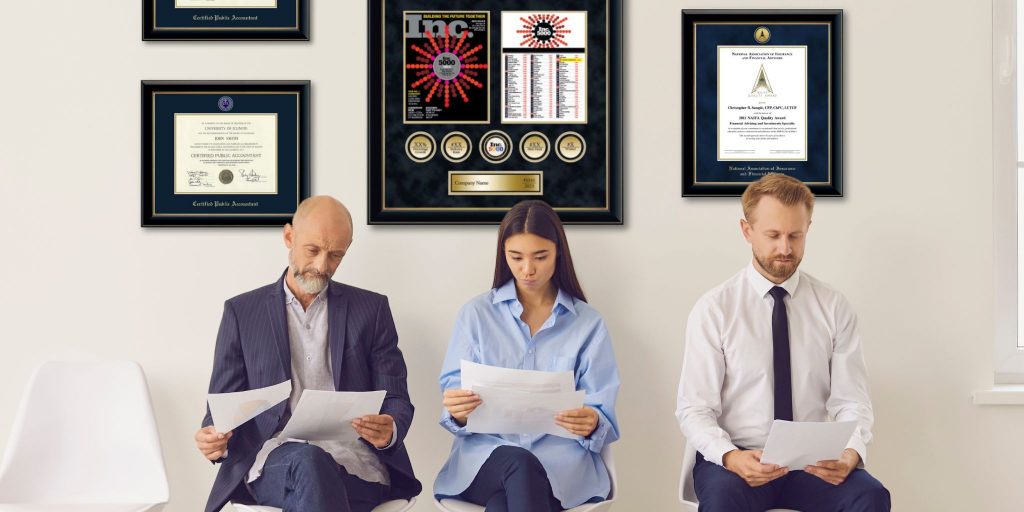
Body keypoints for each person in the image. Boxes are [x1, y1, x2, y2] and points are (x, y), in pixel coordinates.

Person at [676, 174, 891, 511]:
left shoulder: (833, 307)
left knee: (871, 496)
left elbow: (852, 401)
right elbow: (694, 408)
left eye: (796, 235)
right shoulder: (715, 309)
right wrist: (731, 457)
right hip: (739, 458)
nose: (785, 249)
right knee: (721, 502)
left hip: (812, 461)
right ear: (747, 231)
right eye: (773, 235)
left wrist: (851, 453)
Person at [194, 196, 421, 512]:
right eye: (313, 250)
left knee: (316, 480)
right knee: (309, 463)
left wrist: (389, 429)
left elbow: (396, 399)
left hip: (355, 463)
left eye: (336, 255)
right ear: (289, 237)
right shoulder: (242, 312)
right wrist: (213, 439)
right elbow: (221, 408)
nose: (322, 266)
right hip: (274, 460)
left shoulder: (372, 310)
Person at [434, 200, 620, 512]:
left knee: (502, 504)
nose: (528, 269)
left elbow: (602, 413)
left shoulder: (588, 324)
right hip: (486, 460)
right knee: (518, 464)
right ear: (502, 255)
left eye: (540, 257)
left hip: (561, 468)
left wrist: (591, 421)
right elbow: (454, 401)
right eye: (516, 257)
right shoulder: (475, 315)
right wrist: (458, 409)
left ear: (558, 252)